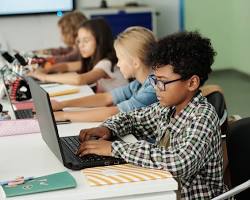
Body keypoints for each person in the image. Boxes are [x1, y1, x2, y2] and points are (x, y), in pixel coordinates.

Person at [76, 31, 227, 199]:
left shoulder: (202, 116)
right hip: (167, 189)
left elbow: (180, 162)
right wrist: (107, 129)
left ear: (192, 83)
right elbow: (132, 118)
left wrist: (113, 148)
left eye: (163, 82)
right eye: (155, 80)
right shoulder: (167, 108)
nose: (156, 88)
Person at [52, 26, 158, 122]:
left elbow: (113, 113)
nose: (119, 64)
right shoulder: (137, 84)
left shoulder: (153, 89)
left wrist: (64, 115)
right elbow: (106, 98)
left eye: (120, 59)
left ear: (135, 62)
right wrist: (62, 104)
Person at [29, 18, 128, 92]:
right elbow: (66, 66)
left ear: (100, 41)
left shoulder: (106, 63)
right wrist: (46, 70)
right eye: (79, 41)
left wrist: (44, 77)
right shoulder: (93, 59)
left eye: (86, 40)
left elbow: (79, 79)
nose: (81, 45)